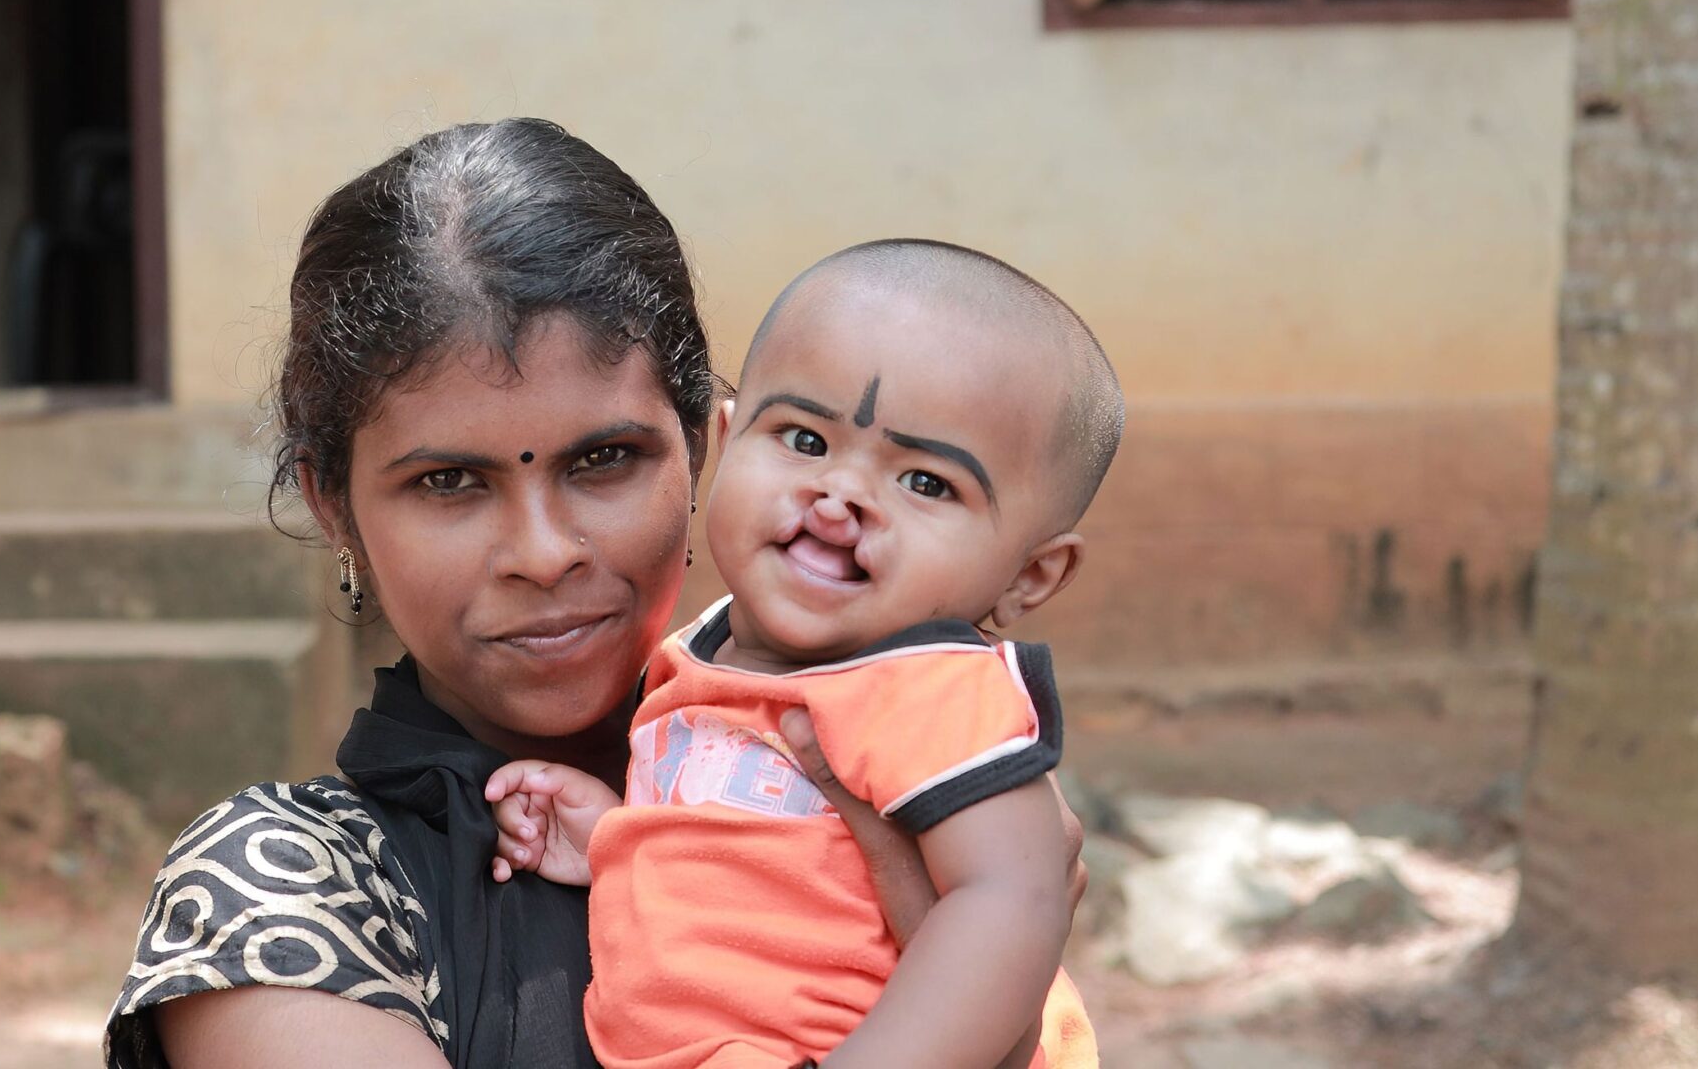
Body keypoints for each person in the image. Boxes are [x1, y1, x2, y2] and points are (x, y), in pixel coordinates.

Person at [105, 120, 1086, 1069]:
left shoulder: (882, 772)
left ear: (700, 448)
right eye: (448, 481)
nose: (543, 555)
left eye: (605, 459)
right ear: (335, 507)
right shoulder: (282, 887)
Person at [483, 239, 1120, 1068]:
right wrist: (614, 836)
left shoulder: (932, 689)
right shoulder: (700, 651)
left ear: (1030, 576)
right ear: (725, 439)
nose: (841, 495)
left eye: (926, 482)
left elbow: (1013, 902)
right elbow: (775, 865)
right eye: (806, 440)